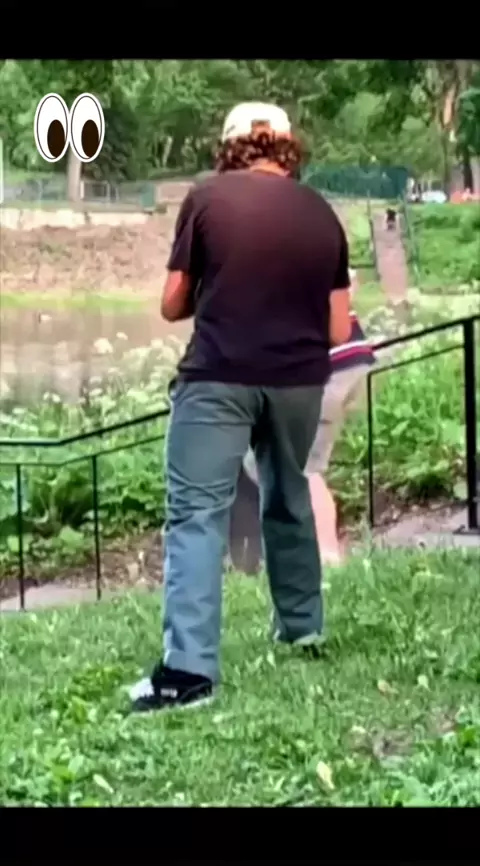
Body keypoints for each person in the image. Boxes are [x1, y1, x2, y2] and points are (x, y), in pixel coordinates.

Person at [129, 102, 352, 713]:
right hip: (299, 381)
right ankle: (303, 628)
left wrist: (217, 286)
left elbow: (172, 304)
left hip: (219, 378)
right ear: (287, 146)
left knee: (196, 514)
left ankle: (188, 672)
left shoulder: (207, 199)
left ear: (230, 146)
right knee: (290, 493)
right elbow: (338, 328)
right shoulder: (322, 212)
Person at [243, 268, 375, 567]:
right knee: (269, 461)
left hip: (328, 371)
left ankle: (326, 554)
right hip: (346, 363)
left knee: (302, 468)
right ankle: (303, 548)